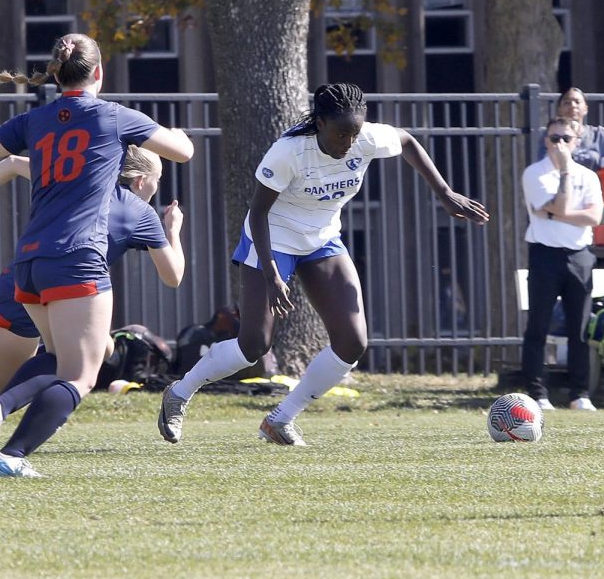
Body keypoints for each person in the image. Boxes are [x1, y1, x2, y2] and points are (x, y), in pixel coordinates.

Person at [156, 82, 489, 446]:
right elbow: (259, 214)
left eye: (354, 133)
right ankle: (179, 392)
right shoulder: (288, 152)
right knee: (253, 345)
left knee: (352, 342)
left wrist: (445, 193)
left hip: (322, 238)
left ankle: (280, 419)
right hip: (272, 237)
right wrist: (271, 273)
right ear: (319, 122)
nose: (348, 142)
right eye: (341, 132)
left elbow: (407, 141)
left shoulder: (365, 138)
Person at [0, 35, 194, 478]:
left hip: (29, 261)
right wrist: (180, 136)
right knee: (81, 375)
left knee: (54, 357)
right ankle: (12, 456)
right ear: (100, 74)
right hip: (78, 257)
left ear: (56, 74)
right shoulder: (114, 117)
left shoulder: (37, 120)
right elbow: (182, 152)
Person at [0, 146, 185, 462]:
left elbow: (14, 162)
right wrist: (173, 230)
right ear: (140, 181)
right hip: (64, 287)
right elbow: (174, 276)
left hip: (20, 282)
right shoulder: (141, 213)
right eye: (157, 180)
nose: (156, 188)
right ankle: (11, 451)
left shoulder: (75, 179)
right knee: (73, 362)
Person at [519, 116, 604, 411]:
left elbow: (594, 217)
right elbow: (562, 206)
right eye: (555, 138)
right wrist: (565, 175)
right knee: (538, 326)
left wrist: (556, 213)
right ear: (546, 141)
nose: (560, 144)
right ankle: (537, 393)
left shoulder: (589, 176)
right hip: (545, 254)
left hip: (580, 255)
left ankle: (579, 393)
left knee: (579, 328)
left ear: (576, 141)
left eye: (566, 139)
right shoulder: (535, 173)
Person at [539, 87, 604, 170]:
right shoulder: (552, 135)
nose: (572, 106)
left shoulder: (600, 135)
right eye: (567, 102)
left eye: (577, 102)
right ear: (559, 109)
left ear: (586, 109)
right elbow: (542, 162)